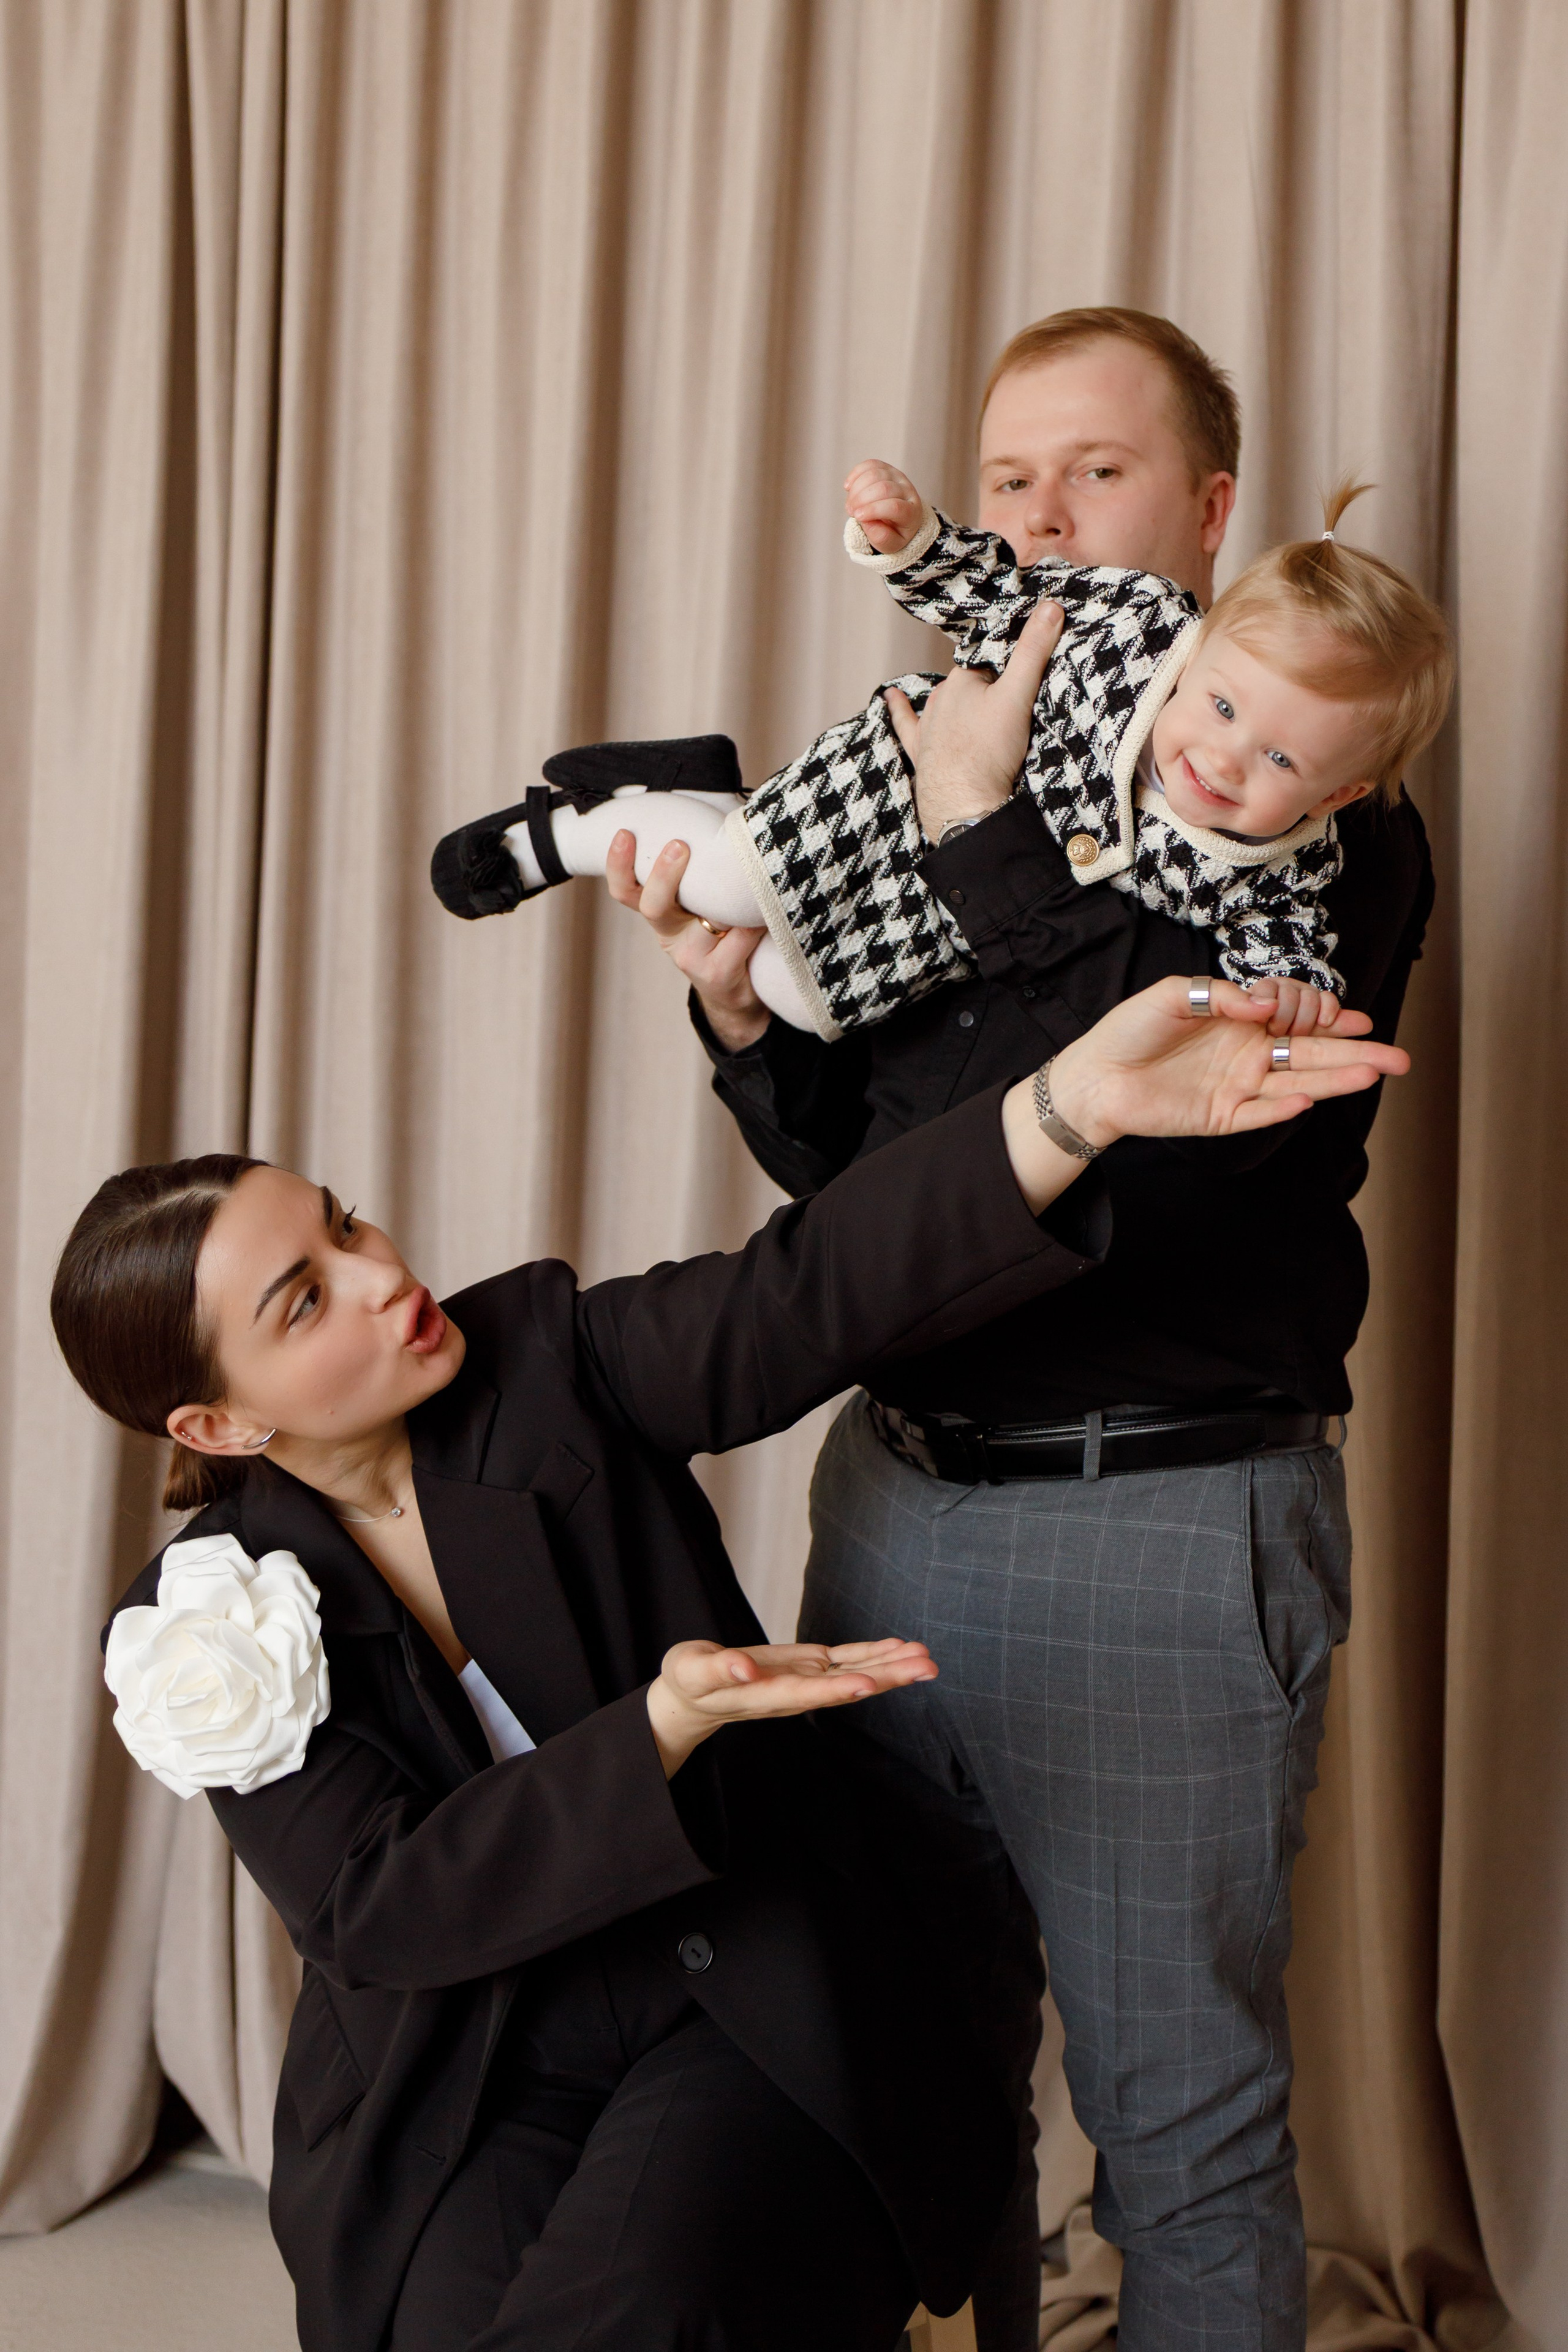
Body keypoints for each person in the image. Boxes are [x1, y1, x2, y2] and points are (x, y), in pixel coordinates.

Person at [55, 943, 1401, 2352]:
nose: (378, 1272)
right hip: (469, 2068)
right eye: (304, 1299)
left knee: (635, 2312)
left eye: (344, 1228)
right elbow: (381, 1912)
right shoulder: (205, 1627)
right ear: (218, 1427)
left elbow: (805, 1293)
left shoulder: (547, 1362)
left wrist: (1069, 1107)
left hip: (732, 2002)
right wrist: (652, 1731)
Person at [604, 308, 1440, 2352]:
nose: (1047, 515)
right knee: (915, 2068)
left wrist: (982, 833)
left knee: (1187, 2132)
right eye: (1010, 482)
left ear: (1210, 515)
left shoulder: (1311, 831)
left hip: (1154, 1530)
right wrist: (742, 1013)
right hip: (889, 1502)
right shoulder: (954, 741)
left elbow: (1140, 1187)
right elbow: (873, 1194)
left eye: (1102, 474)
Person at [430, 479, 1447, 1042]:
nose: (1222, 759)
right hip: (890, 782)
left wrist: (1296, 999)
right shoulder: (1137, 623)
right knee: (731, 877)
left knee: (793, 994)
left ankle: (707, 790)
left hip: (952, 914)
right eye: (1222, 704)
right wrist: (915, 541)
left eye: (1278, 757)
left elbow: (1283, 952)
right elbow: (1000, 597)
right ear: (1202, 648)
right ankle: (560, 830)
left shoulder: (1291, 865)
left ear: (1339, 791)